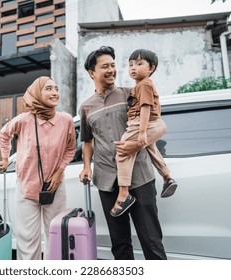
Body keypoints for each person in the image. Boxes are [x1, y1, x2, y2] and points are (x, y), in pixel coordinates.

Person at [78, 46, 167, 260]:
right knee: (119, 244)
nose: (111, 70)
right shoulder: (86, 107)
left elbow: (158, 125)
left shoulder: (132, 93)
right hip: (107, 181)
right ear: (92, 72)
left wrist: (135, 145)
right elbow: (88, 140)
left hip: (139, 177)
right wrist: (86, 167)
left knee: (151, 240)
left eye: (113, 65)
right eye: (105, 66)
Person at [0, 76, 76, 260]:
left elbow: (71, 148)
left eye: (56, 88)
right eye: (48, 88)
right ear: (37, 93)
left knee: (55, 237)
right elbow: (4, 134)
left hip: (55, 187)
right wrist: (5, 158)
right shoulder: (24, 120)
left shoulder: (66, 120)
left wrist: (59, 171)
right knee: (27, 240)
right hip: (27, 187)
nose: (54, 92)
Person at [112, 49, 177, 217]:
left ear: (151, 68)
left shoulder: (144, 84)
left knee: (122, 153)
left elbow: (145, 107)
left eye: (139, 64)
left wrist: (142, 132)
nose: (133, 67)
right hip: (148, 124)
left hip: (140, 124)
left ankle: (124, 193)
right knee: (152, 149)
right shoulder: (141, 85)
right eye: (131, 64)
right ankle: (168, 177)